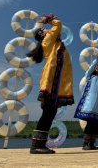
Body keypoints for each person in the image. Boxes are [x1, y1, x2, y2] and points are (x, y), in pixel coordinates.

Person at [27, 13, 74, 154]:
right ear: (43, 34)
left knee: (50, 112)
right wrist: (50, 20)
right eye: (46, 30)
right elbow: (57, 26)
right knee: (48, 112)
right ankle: (36, 145)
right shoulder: (47, 41)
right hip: (50, 81)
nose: (51, 31)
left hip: (56, 83)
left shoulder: (58, 45)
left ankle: (39, 144)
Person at [74, 49, 98, 150]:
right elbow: (90, 68)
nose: (97, 67)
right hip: (89, 102)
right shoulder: (89, 76)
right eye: (96, 66)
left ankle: (92, 144)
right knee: (89, 124)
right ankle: (85, 144)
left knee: (96, 124)